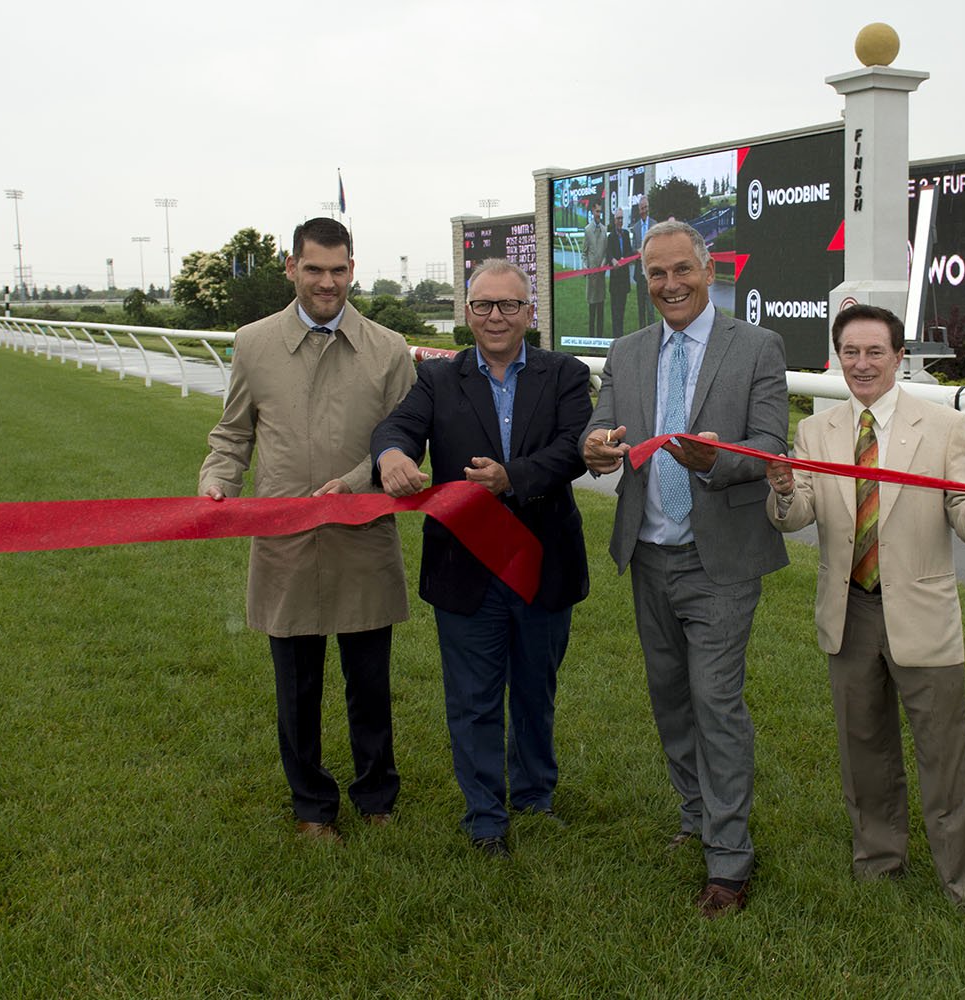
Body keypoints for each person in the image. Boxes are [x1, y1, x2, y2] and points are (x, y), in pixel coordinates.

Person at [582, 220, 788, 918]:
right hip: (648, 553)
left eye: (682, 271)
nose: (670, 285)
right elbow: (603, 427)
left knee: (714, 701)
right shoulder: (629, 350)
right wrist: (598, 448)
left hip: (720, 560)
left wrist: (718, 459)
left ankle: (729, 862)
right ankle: (696, 818)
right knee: (670, 698)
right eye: (656, 274)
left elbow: (768, 447)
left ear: (708, 270)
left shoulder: (756, 347)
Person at [764, 303, 965, 909]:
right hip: (851, 613)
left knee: (942, 754)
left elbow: (961, 509)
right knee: (864, 749)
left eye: (875, 352)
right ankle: (878, 861)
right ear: (836, 358)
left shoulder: (944, 427)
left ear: (899, 357)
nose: (862, 364)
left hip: (921, 614)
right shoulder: (818, 432)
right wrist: (784, 492)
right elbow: (799, 517)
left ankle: (960, 883)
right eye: (851, 352)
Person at [199, 217, 414, 843]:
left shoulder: (388, 349)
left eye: (338, 270)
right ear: (291, 268)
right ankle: (312, 807)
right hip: (286, 544)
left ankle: (377, 796)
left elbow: (406, 439)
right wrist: (220, 480)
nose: (327, 282)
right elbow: (233, 433)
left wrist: (356, 479)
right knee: (296, 687)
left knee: (369, 683)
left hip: (363, 537)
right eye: (314, 269)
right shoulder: (253, 343)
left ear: (353, 269)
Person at [372, 259, 591, 858]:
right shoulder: (438, 380)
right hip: (465, 565)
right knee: (472, 698)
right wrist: (391, 454)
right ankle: (485, 819)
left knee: (534, 692)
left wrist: (510, 479)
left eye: (508, 305)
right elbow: (397, 427)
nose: (495, 317)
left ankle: (534, 796)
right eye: (482, 306)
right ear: (465, 313)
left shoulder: (566, 373)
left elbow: (574, 448)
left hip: (541, 560)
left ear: (530, 313)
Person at [606, 208, 633, 339]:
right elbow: (608, 253)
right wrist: (613, 260)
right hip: (615, 280)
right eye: (618, 218)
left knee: (621, 310)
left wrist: (625, 258)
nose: (620, 221)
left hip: (624, 279)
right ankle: (616, 336)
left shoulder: (626, 234)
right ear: (614, 220)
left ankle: (620, 336)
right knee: (615, 310)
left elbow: (629, 251)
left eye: (622, 218)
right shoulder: (610, 236)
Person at [583, 206, 607, 338]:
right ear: (593, 212)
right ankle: (591, 339)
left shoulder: (604, 230)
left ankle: (600, 339)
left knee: (601, 310)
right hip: (592, 278)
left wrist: (603, 264)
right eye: (597, 211)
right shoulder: (587, 230)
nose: (599, 214)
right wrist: (586, 268)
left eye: (600, 211)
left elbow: (605, 252)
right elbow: (584, 253)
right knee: (592, 311)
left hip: (601, 278)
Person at [630, 196, 653, 328]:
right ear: (639, 210)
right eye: (642, 208)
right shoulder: (636, 227)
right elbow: (633, 248)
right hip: (639, 275)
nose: (644, 210)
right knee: (640, 308)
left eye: (646, 207)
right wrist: (636, 251)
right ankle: (642, 334)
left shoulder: (654, 224)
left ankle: (652, 334)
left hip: (651, 275)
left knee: (650, 308)